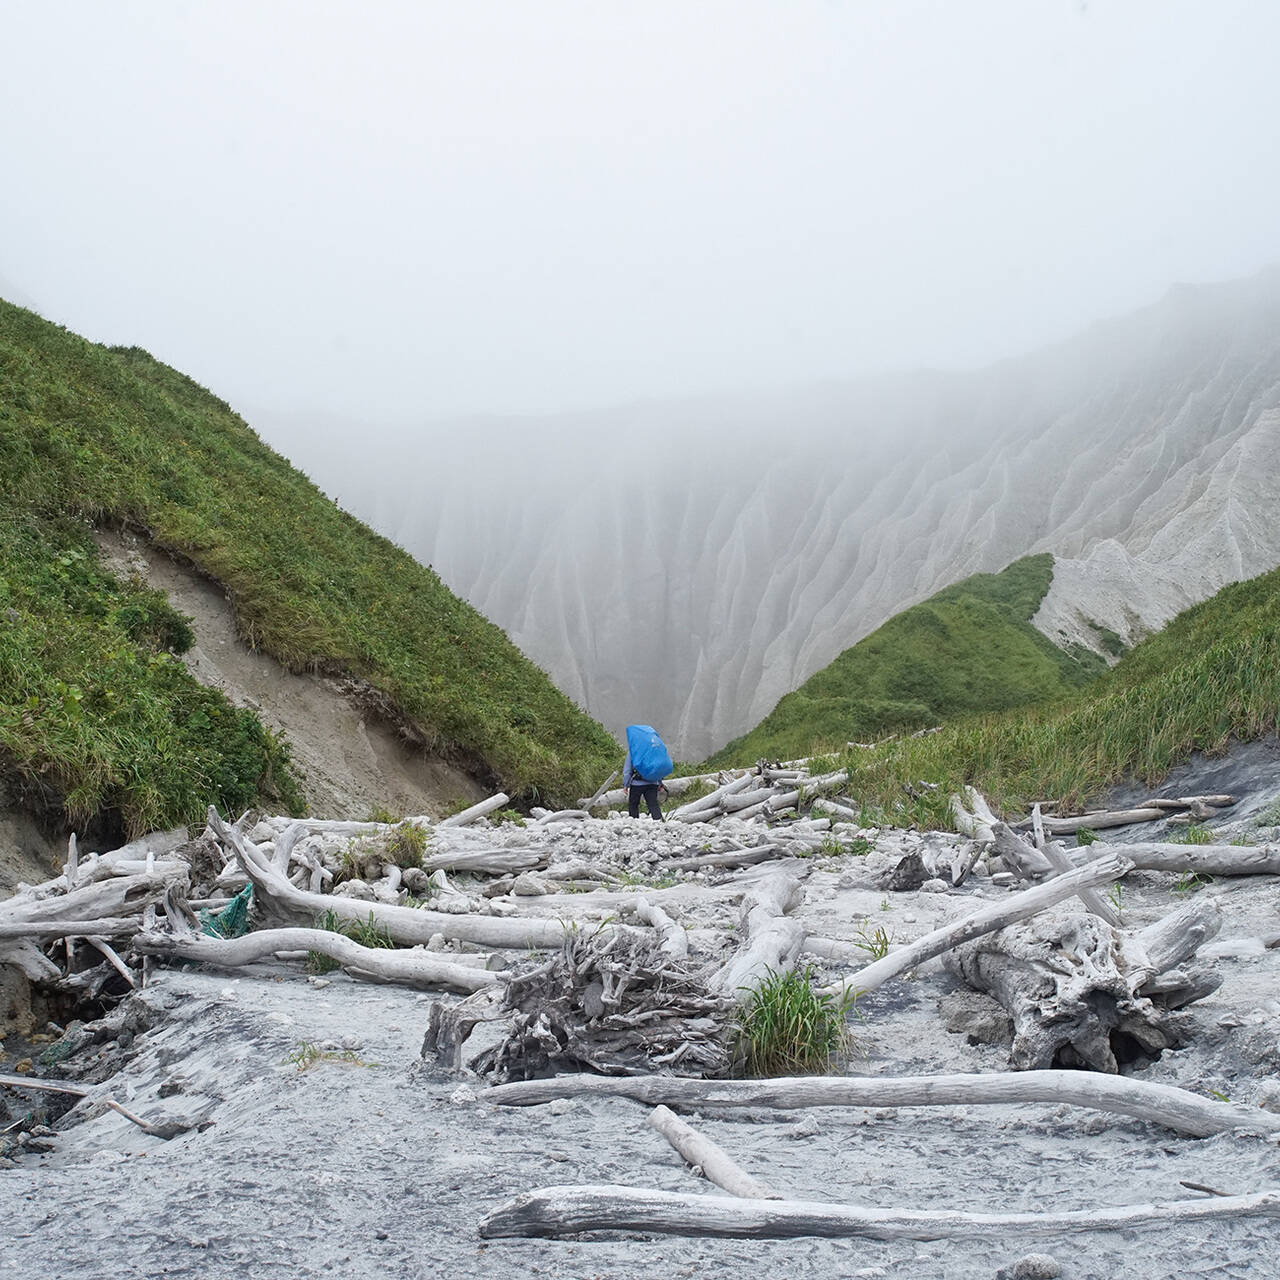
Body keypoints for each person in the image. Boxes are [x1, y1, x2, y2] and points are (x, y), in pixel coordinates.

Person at [622, 745, 665, 820]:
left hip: (637, 784)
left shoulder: (633, 752)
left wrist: (625, 785)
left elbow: (627, 771)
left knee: (633, 804)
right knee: (653, 804)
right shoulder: (654, 751)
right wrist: (660, 783)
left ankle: (634, 822)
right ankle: (660, 822)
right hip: (653, 782)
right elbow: (658, 769)